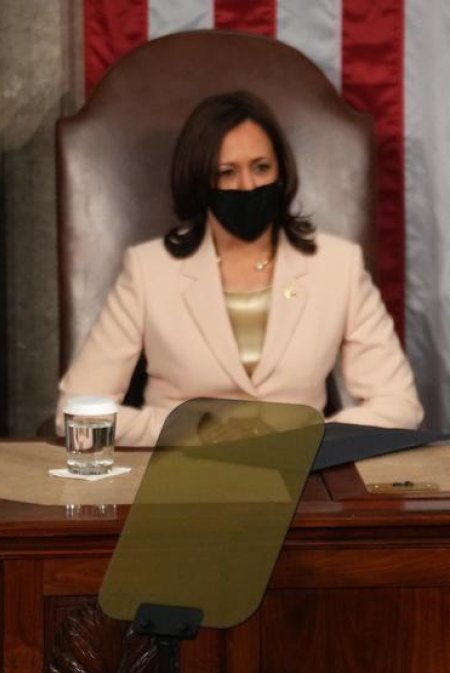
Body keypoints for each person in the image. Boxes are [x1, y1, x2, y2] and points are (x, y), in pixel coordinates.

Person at [56, 90, 423, 446]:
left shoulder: (337, 266)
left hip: (299, 479)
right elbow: (74, 412)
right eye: (227, 173)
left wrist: (308, 437)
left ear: (281, 171)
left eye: (261, 167)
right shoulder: (150, 270)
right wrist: (194, 432)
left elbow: (400, 406)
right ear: (200, 182)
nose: (247, 186)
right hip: (179, 480)